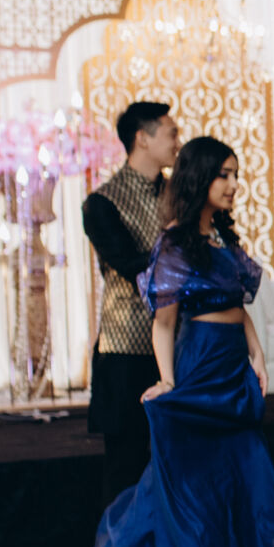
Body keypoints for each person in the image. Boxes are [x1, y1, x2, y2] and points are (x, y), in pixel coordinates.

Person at [75, 136, 274, 547]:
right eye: (224, 175)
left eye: (236, 175)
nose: (233, 185)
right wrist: (170, 381)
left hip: (233, 368)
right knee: (179, 492)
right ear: (199, 179)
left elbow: (238, 306)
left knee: (240, 487)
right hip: (200, 367)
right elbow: (164, 322)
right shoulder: (174, 242)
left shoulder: (222, 237)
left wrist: (256, 353)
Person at [83, 101, 179, 504]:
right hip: (127, 351)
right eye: (171, 133)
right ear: (142, 138)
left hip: (181, 345)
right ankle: (123, 541)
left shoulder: (182, 195)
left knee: (178, 461)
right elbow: (130, 265)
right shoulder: (102, 202)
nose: (178, 142)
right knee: (127, 465)